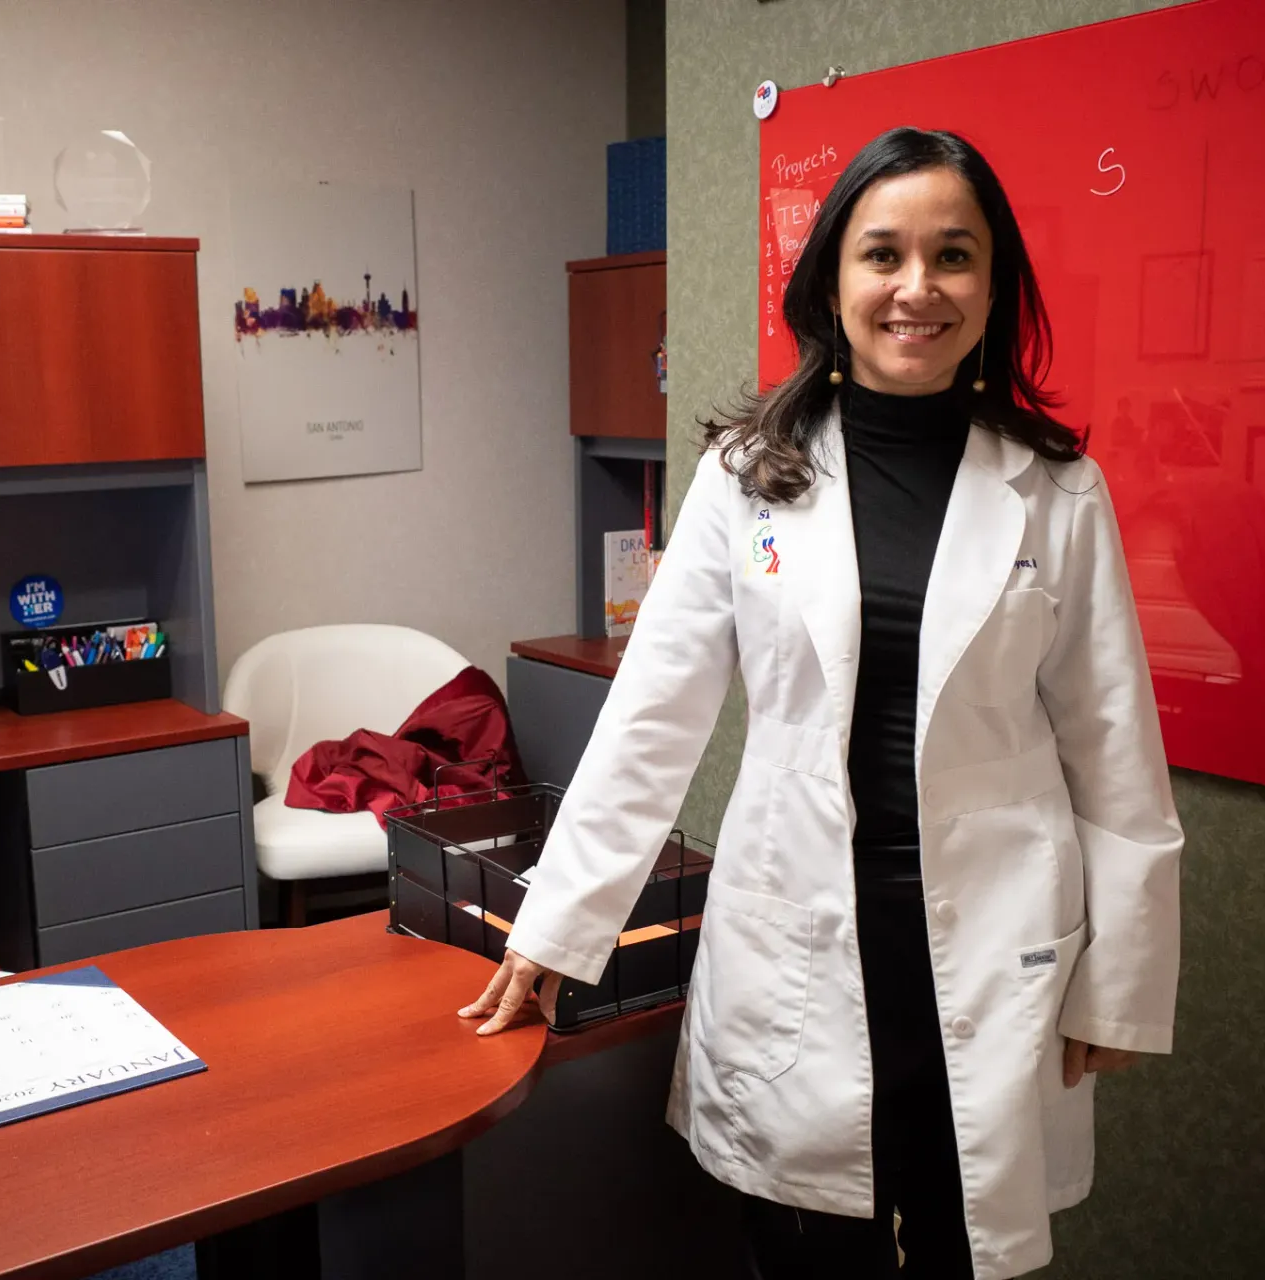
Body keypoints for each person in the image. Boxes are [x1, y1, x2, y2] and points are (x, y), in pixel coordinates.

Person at [459, 128, 1182, 1279]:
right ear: (831, 282)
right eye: (882, 253)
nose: (917, 287)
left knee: (961, 1240)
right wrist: (556, 927)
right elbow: (654, 716)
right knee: (806, 1244)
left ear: (994, 288)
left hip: (996, 943)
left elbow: (1114, 747)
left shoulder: (1055, 487)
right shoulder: (749, 475)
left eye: (954, 256)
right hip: (800, 925)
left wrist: (1124, 975)